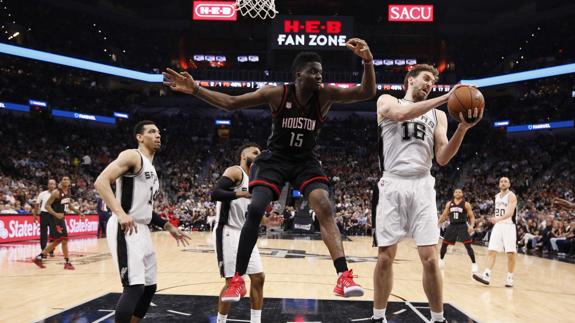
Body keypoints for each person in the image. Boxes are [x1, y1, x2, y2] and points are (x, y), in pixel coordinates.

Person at [164, 38, 376, 301]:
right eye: (313, 71)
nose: (319, 75)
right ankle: (237, 280)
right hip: (274, 159)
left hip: (305, 160)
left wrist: (367, 61)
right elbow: (231, 103)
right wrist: (196, 89)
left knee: (324, 204)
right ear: (299, 74)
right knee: (255, 208)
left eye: (321, 71)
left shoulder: (326, 95)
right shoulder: (276, 93)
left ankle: (343, 276)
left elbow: (366, 92)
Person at [372, 64, 483, 323]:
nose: (429, 84)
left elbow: (443, 157)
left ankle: (438, 318)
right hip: (392, 183)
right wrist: (448, 96)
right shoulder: (388, 100)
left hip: (422, 185)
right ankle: (378, 316)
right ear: (410, 80)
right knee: (386, 256)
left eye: (432, 82)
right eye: (425, 79)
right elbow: (400, 115)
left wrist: (463, 129)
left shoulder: (438, 117)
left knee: (431, 258)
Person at [94, 120, 191, 323]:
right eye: (152, 132)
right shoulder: (132, 155)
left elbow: (144, 208)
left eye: (158, 132)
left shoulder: (152, 168)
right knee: (134, 286)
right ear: (139, 137)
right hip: (126, 227)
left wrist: (168, 225)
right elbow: (101, 182)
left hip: (142, 229)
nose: (158, 135)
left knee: (149, 286)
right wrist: (120, 213)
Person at [212, 143, 264, 323]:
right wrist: (241, 192)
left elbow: (248, 212)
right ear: (243, 156)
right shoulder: (236, 172)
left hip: (245, 234)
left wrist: (267, 221)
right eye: (255, 152)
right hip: (227, 231)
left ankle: (255, 321)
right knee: (231, 283)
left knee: (258, 277)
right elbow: (215, 193)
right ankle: (220, 321)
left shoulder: (257, 180)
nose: (259, 154)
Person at [473, 177, 517, 288]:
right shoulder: (497, 196)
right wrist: (495, 219)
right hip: (498, 226)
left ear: (509, 184)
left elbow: (510, 213)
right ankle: (486, 275)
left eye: (505, 181)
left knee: (510, 253)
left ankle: (510, 277)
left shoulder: (511, 196)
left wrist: (498, 218)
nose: (503, 183)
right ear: (499, 184)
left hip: (508, 226)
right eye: (501, 181)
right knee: (491, 250)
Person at [33, 176, 85, 269]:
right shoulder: (56, 192)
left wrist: (78, 212)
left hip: (61, 218)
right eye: (63, 179)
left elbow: (68, 205)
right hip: (55, 218)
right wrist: (56, 214)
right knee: (64, 239)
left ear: (69, 182)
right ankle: (67, 262)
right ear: (61, 181)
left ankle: (39, 257)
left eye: (67, 179)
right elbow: (47, 205)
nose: (65, 180)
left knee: (59, 240)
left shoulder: (68, 192)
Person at [438, 189, 478, 273]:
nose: (457, 193)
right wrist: (437, 223)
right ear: (453, 194)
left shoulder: (466, 204)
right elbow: (444, 215)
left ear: (462, 194)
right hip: (452, 225)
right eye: (456, 192)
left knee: (468, 245)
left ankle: (474, 264)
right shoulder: (449, 203)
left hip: (462, 225)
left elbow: (471, 216)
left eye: (459, 192)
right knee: (444, 244)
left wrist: (471, 225)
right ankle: (441, 259)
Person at [33, 179, 57, 257]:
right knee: (43, 234)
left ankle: (51, 251)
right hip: (43, 214)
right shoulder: (42, 194)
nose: (51, 185)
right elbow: (37, 204)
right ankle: (43, 251)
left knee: (53, 234)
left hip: (53, 215)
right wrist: (35, 215)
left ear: (55, 185)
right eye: (50, 184)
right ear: (48, 185)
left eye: (53, 184)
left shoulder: (58, 194)